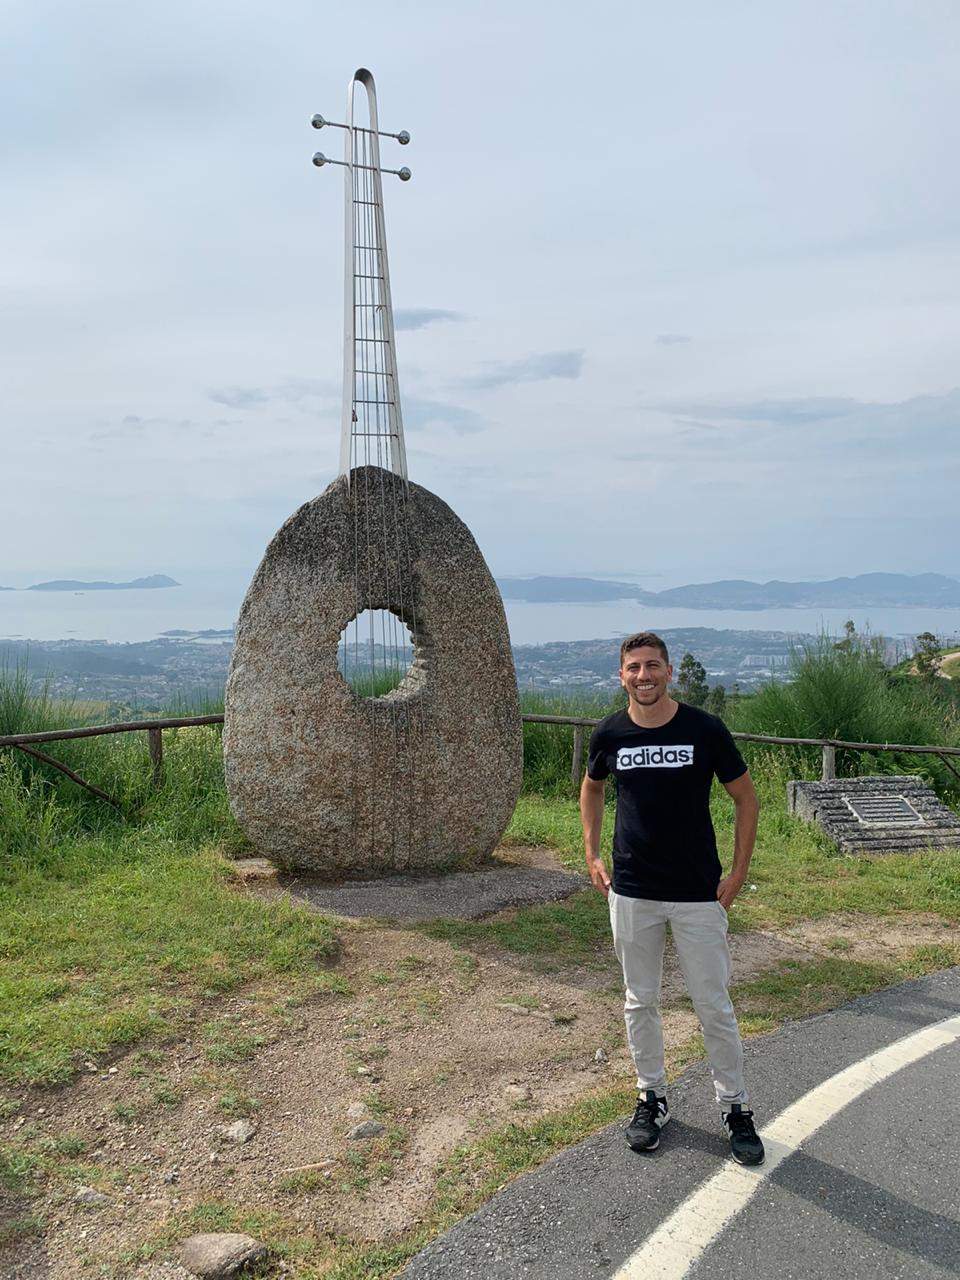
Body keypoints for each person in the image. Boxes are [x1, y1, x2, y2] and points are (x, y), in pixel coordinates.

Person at [579, 631, 764, 1165]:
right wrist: (591, 853)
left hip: (698, 893)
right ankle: (651, 1098)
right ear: (622, 676)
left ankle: (735, 1107)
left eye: (652, 666)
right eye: (634, 667)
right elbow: (592, 787)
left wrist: (739, 871)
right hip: (632, 891)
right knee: (640, 1000)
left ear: (669, 671)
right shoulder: (609, 732)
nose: (644, 676)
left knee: (713, 1005)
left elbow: (746, 798)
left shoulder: (704, 728)